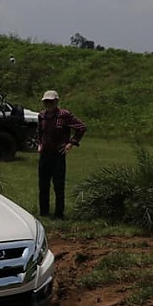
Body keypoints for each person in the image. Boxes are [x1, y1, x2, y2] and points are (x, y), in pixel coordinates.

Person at [36, 90, 86, 219]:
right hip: (45, 154)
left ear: (56, 102)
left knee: (58, 185)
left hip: (58, 153)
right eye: (46, 101)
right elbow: (39, 131)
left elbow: (81, 127)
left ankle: (59, 214)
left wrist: (71, 143)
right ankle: (44, 212)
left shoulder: (64, 115)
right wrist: (40, 144)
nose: (48, 104)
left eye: (51, 101)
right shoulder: (42, 115)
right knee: (43, 185)